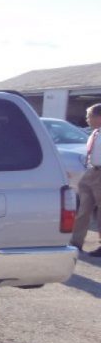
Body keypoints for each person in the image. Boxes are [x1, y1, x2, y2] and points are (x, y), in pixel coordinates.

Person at [70, 103, 101, 257]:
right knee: (83, 208)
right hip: (91, 172)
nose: (87, 119)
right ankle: (75, 242)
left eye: (89, 116)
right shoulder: (94, 133)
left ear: (99, 117)